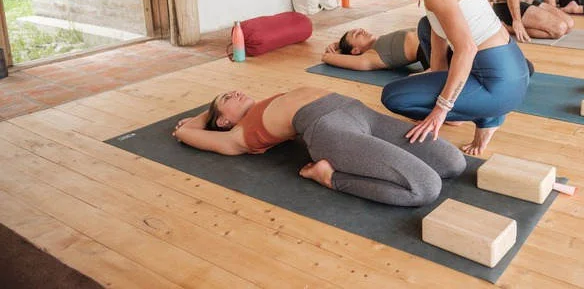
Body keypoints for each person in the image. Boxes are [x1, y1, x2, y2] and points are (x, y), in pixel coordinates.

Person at [371, 0, 531, 156]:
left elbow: (466, 48)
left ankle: (490, 114)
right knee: (426, 26)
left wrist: (440, 109)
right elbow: (438, 37)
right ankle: (485, 111)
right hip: (511, 68)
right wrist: (433, 77)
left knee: (395, 96)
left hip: (499, 83)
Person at [172, 86, 466, 207]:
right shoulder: (236, 137)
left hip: (360, 113)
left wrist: (215, 109)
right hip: (330, 130)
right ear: (222, 122)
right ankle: (329, 177)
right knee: (426, 187)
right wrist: (203, 117)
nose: (234, 93)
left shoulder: (258, 106)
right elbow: (185, 133)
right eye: (226, 100)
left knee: (454, 163)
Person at [321, 27, 429, 71]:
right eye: (357, 34)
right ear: (355, 51)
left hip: (433, 37)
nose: (362, 31)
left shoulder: (379, 41)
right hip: (429, 52)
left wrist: (337, 45)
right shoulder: (370, 57)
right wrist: (335, 51)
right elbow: (326, 57)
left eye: (360, 29)